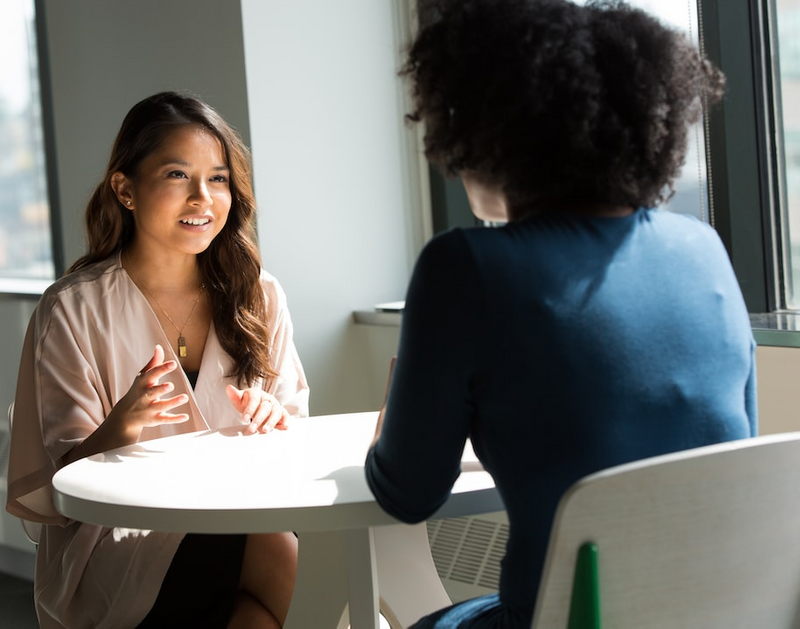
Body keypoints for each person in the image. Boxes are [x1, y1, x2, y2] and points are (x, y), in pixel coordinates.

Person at [365, 1, 757, 627]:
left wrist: (394, 428)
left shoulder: (464, 266)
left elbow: (408, 494)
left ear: (489, 133)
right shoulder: (703, 251)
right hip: (721, 613)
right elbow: (729, 455)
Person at [6, 91, 309, 628]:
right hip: (116, 543)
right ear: (125, 189)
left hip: (242, 516)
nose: (203, 198)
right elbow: (60, 490)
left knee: (263, 592)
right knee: (278, 553)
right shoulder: (73, 308)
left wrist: (274, 418)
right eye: (177, 175)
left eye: (218, 179)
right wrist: (117, 430)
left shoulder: (259, 295)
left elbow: (295, 435)